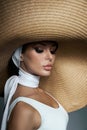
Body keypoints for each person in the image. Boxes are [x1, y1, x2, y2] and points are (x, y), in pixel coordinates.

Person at [1, 40, 69, 130]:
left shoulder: (43, 95)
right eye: (39, 50)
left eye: (52, 51)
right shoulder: (23, 109)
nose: (50, 57)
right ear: (20, 55)